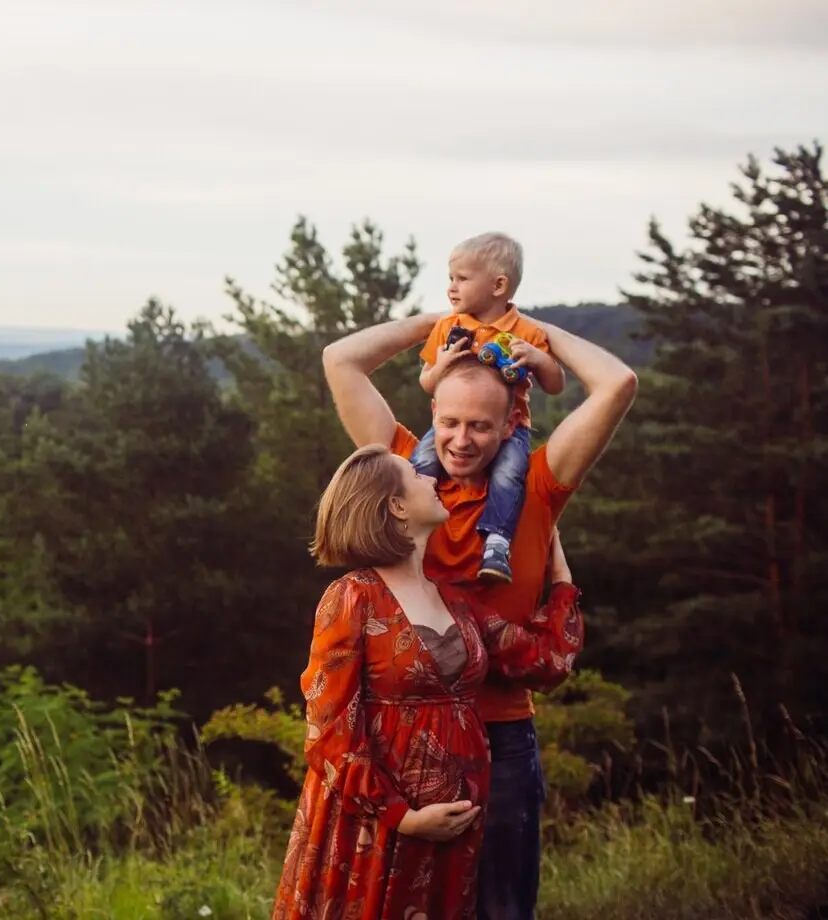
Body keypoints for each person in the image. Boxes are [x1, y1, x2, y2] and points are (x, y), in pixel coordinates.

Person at [322, 311, 637, 920]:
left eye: (480, 427)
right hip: (403, 742)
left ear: (510, 426)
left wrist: (526, 328)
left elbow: (618, 382)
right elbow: (341, 359)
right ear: (433, 417)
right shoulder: (407, 476)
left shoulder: (540, 485)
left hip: (501, 734)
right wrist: (444, 321)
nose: (461, 440)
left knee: (501, 908)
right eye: (449, 422)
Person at [271, 444, 583, 920]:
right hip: (376, 829)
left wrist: (558, 574)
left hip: (454, 833)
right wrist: (404, 817)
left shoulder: (457, 602)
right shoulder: (352, 599)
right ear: (395, 506)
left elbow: (545, 662)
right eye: (416, 477)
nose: (432, 480)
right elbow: (329, 733)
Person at [412, 232, 565, 584]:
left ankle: (497, 542)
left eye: (462, 279)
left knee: (509, 476)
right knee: (419, 464)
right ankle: (407, 529)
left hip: (509, 429)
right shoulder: (447, 327)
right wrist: (443, 363)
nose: (451, 287)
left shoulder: (525, 331)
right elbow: (426, 382)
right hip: (452, 425)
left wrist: (540, 359)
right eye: (450, 278)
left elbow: (555, 386)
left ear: (499, 285)